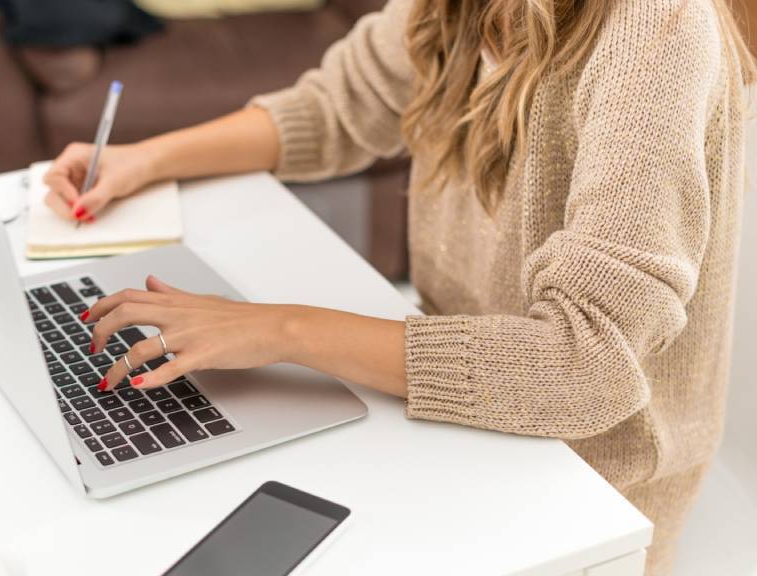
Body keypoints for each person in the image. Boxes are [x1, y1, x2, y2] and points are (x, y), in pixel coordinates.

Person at [42, 1, 754, 573]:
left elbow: (588, 365)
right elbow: (335, 107)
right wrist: (146, 159)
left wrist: (276, 330)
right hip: (457, 410)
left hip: (585, 478)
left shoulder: (657, 26)